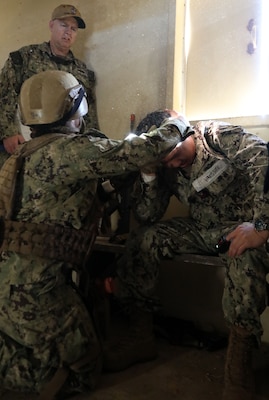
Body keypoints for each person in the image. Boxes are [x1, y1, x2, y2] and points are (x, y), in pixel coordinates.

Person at [0, 71, 188, 398]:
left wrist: (104, 193)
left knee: (33, 344)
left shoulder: (20, 157)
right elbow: (142, 151)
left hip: (8, 282)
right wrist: (177, 124)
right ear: (76, 106)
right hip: (39, 291)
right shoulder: (71, 151)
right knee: (83, 369)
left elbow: (54, 205)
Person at [102, 110, 269, 400]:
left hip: (240, 229)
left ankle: (239, 360)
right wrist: (151, 173)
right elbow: (147, 214)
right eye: (161, 156)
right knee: (144, 240)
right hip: (202, 230)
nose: (169, 161)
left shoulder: (216, 137)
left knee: (244, 256)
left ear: (180, 131)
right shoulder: (163, 167)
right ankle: (141, 335)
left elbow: (264, 161)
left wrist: (261, 227)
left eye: (170, 151)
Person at [0, 4, 99, 159]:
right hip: (32, 144)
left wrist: (93, 144)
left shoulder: (81, 71)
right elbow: (5, 94)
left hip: (69, 148)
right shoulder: (25, 59)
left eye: (74, 29)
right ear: (51, 25)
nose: (68, 32)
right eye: (64, 25)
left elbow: (88, 112)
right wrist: (9, 132)